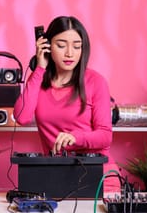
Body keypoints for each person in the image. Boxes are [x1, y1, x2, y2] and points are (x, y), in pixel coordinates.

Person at [13, 15, 120, 193]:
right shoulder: (38, 81)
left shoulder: (95, 81)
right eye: (61, 45)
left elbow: (105, 136)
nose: (70, 53)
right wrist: (39, 68)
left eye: (77, 46)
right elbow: (21, 117)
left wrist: (76, 137)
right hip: (56, 176)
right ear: (47, 46)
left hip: (99, 177)